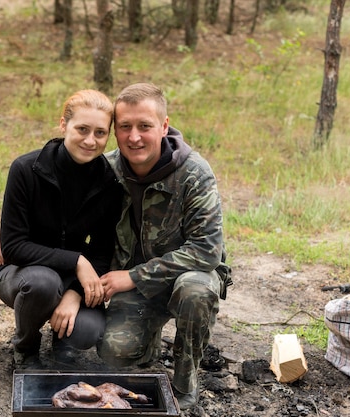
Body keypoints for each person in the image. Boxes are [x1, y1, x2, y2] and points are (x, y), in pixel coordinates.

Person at [97, 82, 232, 410]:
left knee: (195, 291)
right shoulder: (107, 170)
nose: (134, 137)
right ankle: (149, 337)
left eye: (145, 126)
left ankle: (186, 383)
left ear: (164, 126)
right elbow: (58, 197)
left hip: (185, 280)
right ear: (115, 130)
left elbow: (207, 250)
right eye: (125, 127)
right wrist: (11, 225)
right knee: (115, 352)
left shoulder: (194, 174)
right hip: (138, 295)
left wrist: (133, 277)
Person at [0, 89, 123, 369]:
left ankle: (63, 337)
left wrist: (75, 294)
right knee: (43, 283)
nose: (90, 140)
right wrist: (75, 260)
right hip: (21, 273)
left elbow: (102, 250)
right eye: (82, 129)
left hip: (73, 280)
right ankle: (25, 350)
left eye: (100, 133)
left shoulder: (109, 184)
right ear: (63, 125)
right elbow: (13, 246)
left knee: (87, 330)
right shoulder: (27, 169)